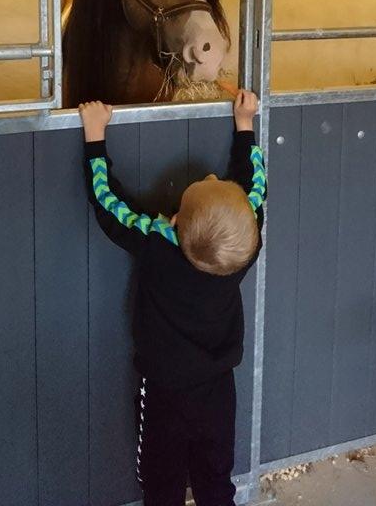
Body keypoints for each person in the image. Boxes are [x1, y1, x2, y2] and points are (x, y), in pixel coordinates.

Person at [79, 90, 266, 506]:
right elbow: (256, 192)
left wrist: (95, 138)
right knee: (216, 481)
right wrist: (246, 126)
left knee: (161, 486)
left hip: (163, 392)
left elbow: (108, 205)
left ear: (174, 221)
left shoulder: (158, 244)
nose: (214, 177)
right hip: (218, 392)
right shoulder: (241, 253)